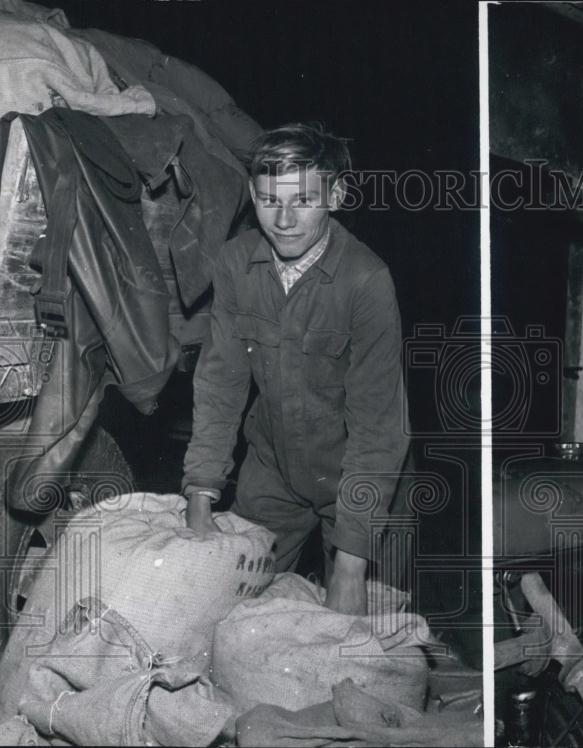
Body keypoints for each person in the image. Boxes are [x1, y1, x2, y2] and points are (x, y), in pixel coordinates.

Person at [181, 122, 409, 615]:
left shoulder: (367, 281)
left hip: (361, 483)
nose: (283, 219)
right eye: (268, 200)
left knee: (363, 642)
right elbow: (220, 381)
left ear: (336, 195)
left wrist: (350, 569)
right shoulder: (235, 264)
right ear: (251, 193)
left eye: (302, 200)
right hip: (272, 473)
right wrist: (200, 494)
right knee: (225, 611)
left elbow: (378, 427)